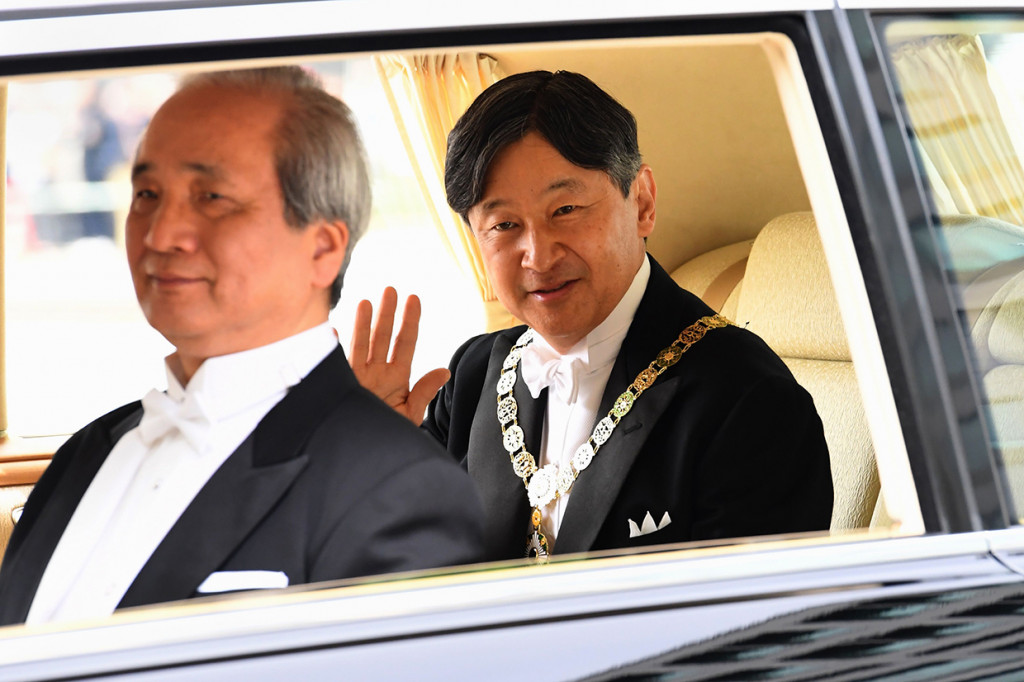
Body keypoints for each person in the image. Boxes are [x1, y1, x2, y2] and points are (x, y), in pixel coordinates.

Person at [0, 67, 484, 626]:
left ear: (322, 248)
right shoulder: (89, 451)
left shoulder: (400, 489)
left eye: (212, 197)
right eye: (147, 194)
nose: (159, 234)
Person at [351, 70, 833, 562]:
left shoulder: (747, 399)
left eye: (565, 210)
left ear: (642, 202)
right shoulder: (474, 376)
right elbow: (415, 576)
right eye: (505, 225)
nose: (537, 256)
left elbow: (750, 627)